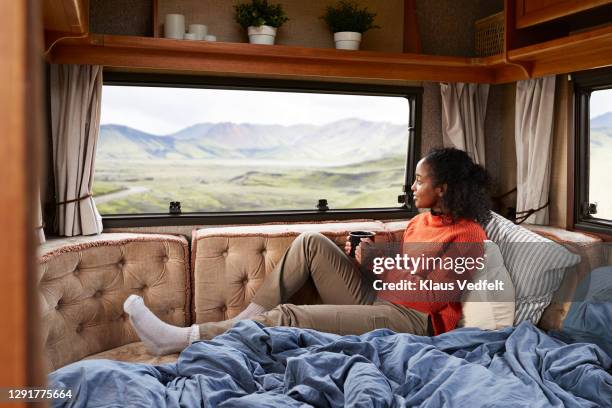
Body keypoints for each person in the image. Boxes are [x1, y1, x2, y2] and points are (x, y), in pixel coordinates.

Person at [124, 147, 492, 356]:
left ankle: (181, 338)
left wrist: (382, 263)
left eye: (419, 180)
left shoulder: (469, 233)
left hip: (413, 323)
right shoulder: (420, 221)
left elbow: (429, 298)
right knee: (310, 242)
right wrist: (366, 259)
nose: (412, 187)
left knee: (288, 314)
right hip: (383, 300)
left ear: (442, 188)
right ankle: (241, 322)